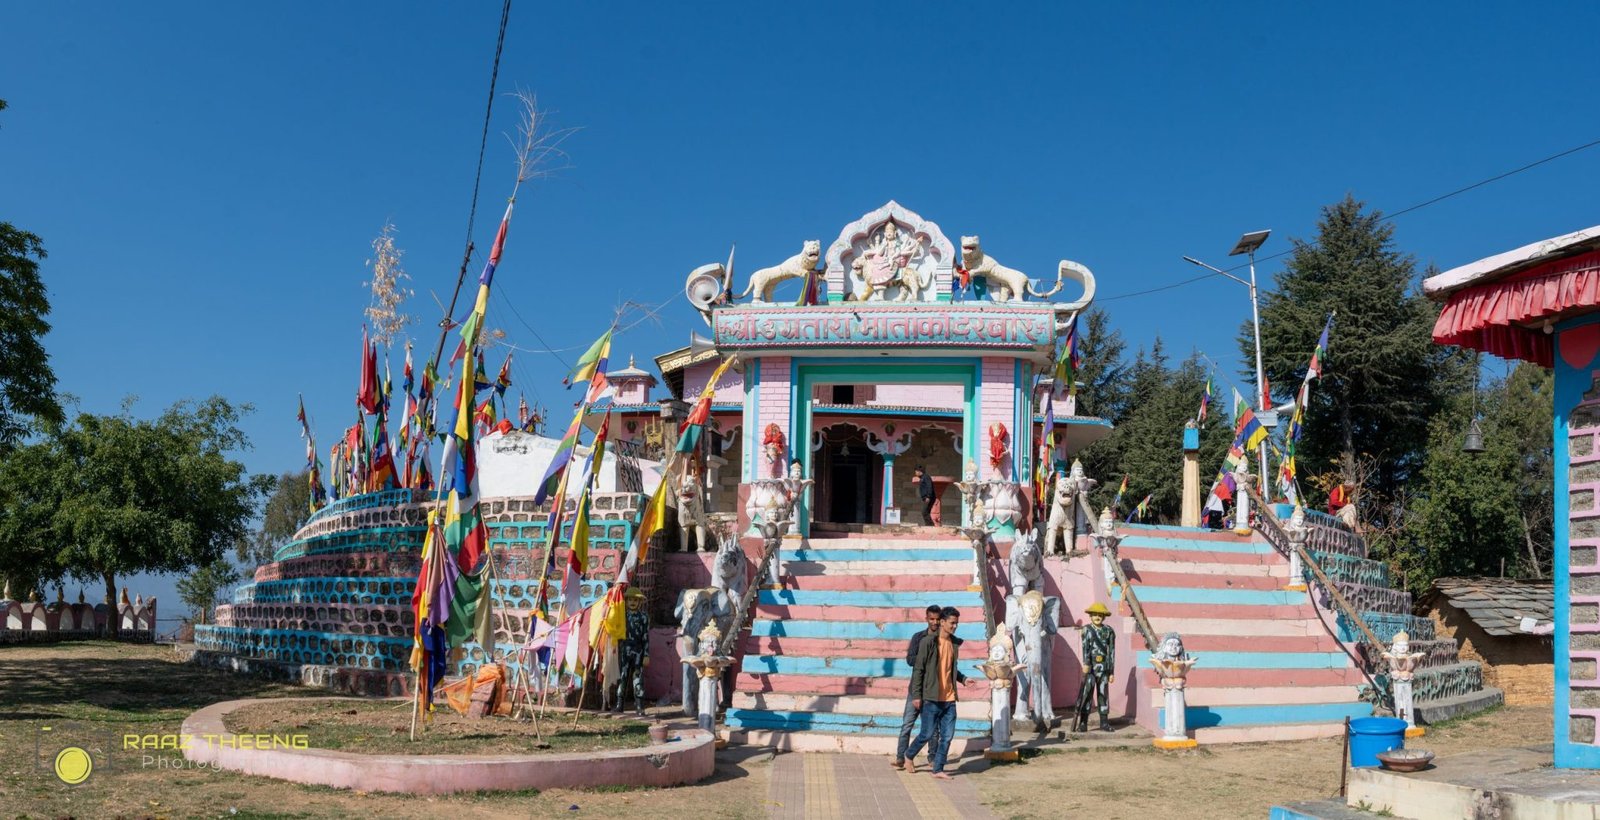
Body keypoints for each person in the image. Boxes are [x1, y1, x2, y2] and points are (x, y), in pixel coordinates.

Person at [904, 606, 968, 779]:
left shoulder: (954, 644)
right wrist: (917, 695)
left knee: (947, 736)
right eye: (952, 623)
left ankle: (938, 769)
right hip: (931, 698)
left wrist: (963, 679)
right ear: (942, 622)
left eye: (957, 623)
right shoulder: (928, 642)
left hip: (949, 698)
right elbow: (918, 670)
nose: (955, 626)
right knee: (926, 733)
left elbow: (951, 669)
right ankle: (909, 755)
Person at [893, 605, 944, 771]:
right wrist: (926, 660)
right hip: (915, 689)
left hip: (932, 690)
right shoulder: (918, 637)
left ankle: (933, 758)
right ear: (927, 619)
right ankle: (901, 757)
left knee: (933, 729)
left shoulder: (944, 639)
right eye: (932, 619)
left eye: (937, 619)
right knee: (907, 724)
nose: (935, 622)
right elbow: (910, 659)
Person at [1074, 602, 1116, 732]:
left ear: (1104, 617)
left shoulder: (1109, 631)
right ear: (1090, 616)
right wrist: (1085, 663)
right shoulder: (1087, 629)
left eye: (1100, 615)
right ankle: (1083, 722)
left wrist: (1111, 671)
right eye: (1095, 614)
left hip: (1103, 668)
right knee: (1087, 693)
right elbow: (1085, 647)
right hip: (1091, 667)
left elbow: (1111, 652)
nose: (1097, 617)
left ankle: (1104, 722)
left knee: (1103, 694)